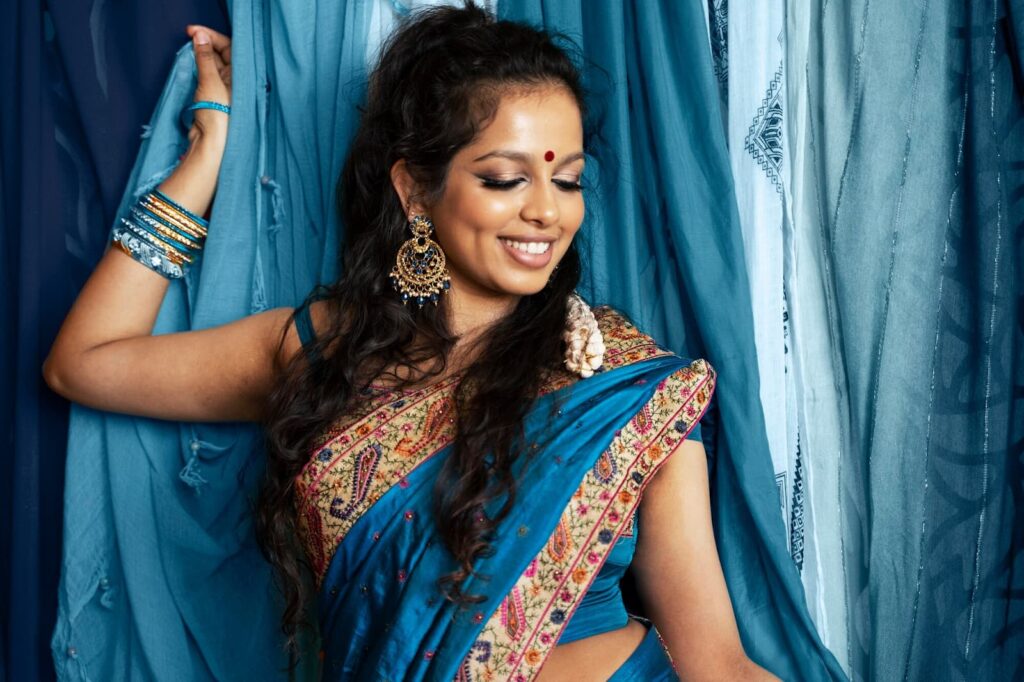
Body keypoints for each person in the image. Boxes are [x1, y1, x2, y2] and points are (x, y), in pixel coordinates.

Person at [43, 4, 779, 681]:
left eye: (570, 181)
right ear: (414, 189)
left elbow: (717, 661)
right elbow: (83, 363)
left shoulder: (622, 382)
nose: (546, 213)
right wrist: (205, 161)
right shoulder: (319, 352)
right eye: (502, 179)